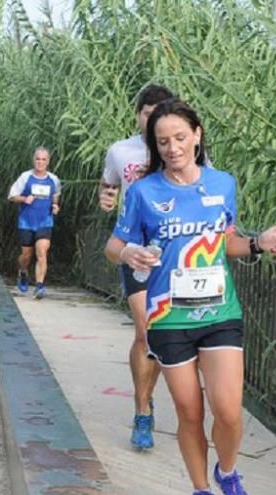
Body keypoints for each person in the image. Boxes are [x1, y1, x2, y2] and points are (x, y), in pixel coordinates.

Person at [104, 99, 276, 495]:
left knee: (227, 410)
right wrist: (131, 252)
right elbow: (114, 247)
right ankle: (202, 492)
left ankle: (228, 472)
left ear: (198, 135)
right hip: (169, 318)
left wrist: (258, 243)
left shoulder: (223, 184)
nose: (172, 148)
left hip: (219, 312)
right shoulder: (145, 192)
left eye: (180, 138)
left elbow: (226, 242)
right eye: (163, 141)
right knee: (189, 413)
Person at [98, 84, 175, 450]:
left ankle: (146, 396)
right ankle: (142, 411)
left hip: (174, 254)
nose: (153, 118)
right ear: (138, 114)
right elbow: (108, 187)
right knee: (146, 331)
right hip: (135, 250)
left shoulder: (180, 149)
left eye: (160, 111)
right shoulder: (120, 151)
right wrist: (106, 198)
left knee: (158, 335)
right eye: (147, 112)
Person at [9, 147, 61, 299]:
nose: (40, 162)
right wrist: (24, 199)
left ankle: (39, 286)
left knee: (42, 251)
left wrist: (56, 206)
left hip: (45, 221)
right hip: (26, 221)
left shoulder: (53, 179)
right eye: (38, 159)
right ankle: (23, 272)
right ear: (34, 160)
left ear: (48, 162)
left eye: (43, 159)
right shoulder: (25, 177)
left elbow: (56, 196)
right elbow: (12, 196)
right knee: (26, 256)